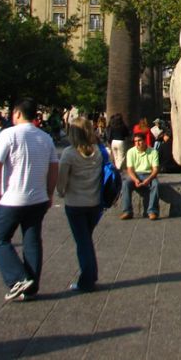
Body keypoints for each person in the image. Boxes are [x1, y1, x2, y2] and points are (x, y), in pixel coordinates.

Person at [0, 98, 58, 302]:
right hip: (38, 198)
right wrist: (50, 193)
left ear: (18, 114)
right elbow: (54, 167)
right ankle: (31, 286)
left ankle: (18, 278)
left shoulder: (8, 134)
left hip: (12, 198)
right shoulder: (45, 138)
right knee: (32, 240)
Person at [56, 117, 103, 292]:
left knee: (83, 242)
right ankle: (91, 274)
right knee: (86, 239)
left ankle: (87, 279)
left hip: (75, 203)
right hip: (95, 203)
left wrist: (60, 191)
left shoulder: (69, 153)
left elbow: (61, 180)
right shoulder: (98, 151)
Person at [120, 132, 160, 220]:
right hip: (136, 174)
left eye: (139, 141)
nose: (137, 143)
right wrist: (135, 180)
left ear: (145, 141)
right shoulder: (130, 152)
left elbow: (155, 169)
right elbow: (130, 169)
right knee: (126, 184)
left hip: (148, 174)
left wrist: (148, 179)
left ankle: (152, 211)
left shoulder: (153, 151)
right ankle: (127, 211)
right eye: (135, 141)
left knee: (155, 184)